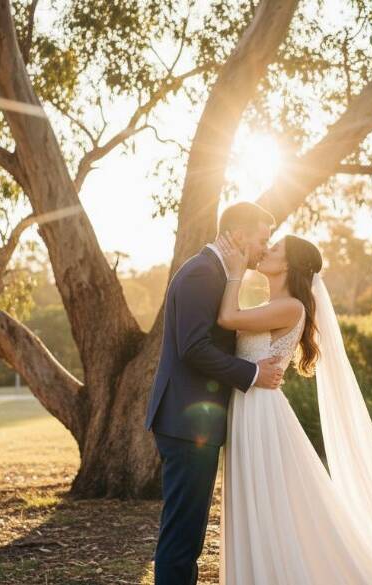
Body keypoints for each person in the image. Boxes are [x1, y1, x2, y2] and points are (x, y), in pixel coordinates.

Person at [215, 231, 372, 585]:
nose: (267, 249)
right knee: (262, 498)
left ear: (289, 265)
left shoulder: (292, 306)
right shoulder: (275, 304)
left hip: (260, 411)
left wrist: (235, 270)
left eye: (276, 248)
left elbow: (227, 319)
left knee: (267, 497)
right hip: (251, 405)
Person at [144, 201, 286, 585]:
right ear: (239, 235)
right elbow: (193, 347)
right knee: (182, 534)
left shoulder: (217, 273)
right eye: (262, 238)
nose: (264, 247)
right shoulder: (201, 274)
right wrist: (253, 373)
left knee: (188, 531)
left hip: (192, 423)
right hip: (184, 422)